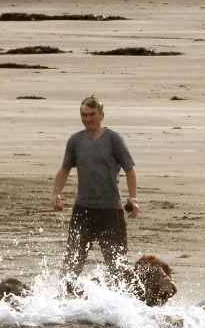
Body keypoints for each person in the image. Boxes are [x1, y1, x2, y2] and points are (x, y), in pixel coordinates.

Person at [51, 95, 139, 286]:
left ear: (101, 116)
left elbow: (129, 169)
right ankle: (61, 300)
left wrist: (133, 198)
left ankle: (123, 305)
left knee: (118, 265)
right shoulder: (75, 141)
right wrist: (56, 193)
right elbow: (65, 168)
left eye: (92, 114)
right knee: (71, 263)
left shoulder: (114, 139)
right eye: (84, 115)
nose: (88, 119)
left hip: (110, 212)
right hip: (83, 210)